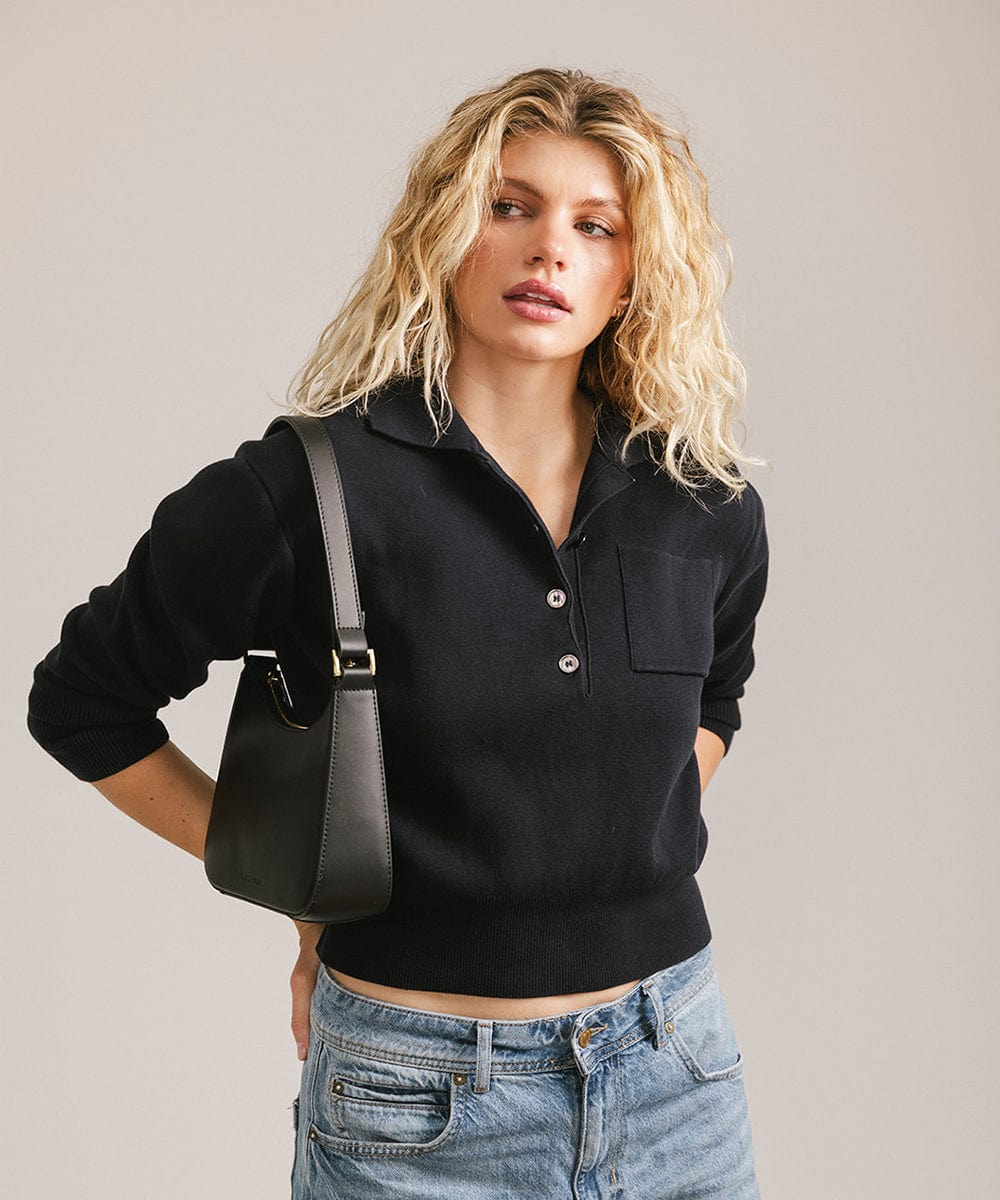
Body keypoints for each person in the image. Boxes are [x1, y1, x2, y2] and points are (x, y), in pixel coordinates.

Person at [26, 67, 770, 1198]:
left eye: (593, 225)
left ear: (631, 275)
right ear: (441, 231)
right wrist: (304, 891)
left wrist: (589, 844)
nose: (547, 251)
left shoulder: (702, 500)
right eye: (508, 206)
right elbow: (83, 701)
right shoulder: (307, 491)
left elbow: (713, 700)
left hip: (677, 1074)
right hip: (414, 1103)